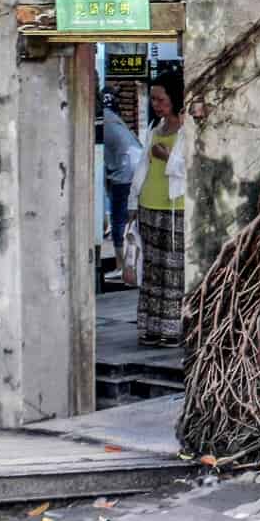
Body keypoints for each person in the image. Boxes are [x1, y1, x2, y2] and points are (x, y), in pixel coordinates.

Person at [126, 73, 191, 348]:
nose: (155, 104)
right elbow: (142, 167)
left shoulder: (188, 130)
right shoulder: (155, 128)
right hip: (148, 206)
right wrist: (132, 203)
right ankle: (151, 328)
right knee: (151, 270)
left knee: (173, 272)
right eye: (153, 99)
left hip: (174, 208)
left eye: (160, 99)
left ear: (174, 99)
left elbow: (191, 167)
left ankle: (172, 330)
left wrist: (168, 158)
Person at [101, 91, 141, 263]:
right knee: (129, 218)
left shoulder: (102, 119)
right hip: (134, 169)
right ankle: (129, 263)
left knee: (119, 219)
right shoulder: (116, 120)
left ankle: (122, 265)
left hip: (123, 173)